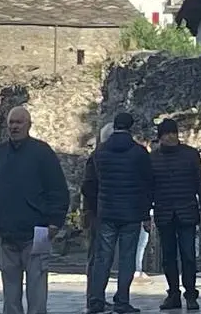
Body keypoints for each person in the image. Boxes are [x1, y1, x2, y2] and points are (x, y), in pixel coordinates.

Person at [0, 105, 69, 314]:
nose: (14, 127)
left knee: (37, 288)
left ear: (29, 125)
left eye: (19, 122)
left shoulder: (42, 153)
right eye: (11, 123)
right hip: (7, 233)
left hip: (39, 231)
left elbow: (58, 189)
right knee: (10, 291)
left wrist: (54, 222)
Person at [87, 113, 154, 314]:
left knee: (102, 257)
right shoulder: (139, 153)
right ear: (131, 127)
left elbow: (94, 182)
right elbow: (147, 185)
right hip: (131, 213)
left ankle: (96, 300)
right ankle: (122, 301)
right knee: (127, 258)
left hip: (106, 211)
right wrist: (145, 214)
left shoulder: (100, 152)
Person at [150, 119, 201, 310]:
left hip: (186, 211)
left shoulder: (190, 155)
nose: (171, 137)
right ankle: (173, 293)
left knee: (188, 255)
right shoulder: (153, 158)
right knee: (168, 257)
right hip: (164, 211)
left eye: (173, 133)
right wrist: (145, 212)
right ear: (160, 137)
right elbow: (147, 187)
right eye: (167, 133)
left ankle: (191, 294)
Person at [80, 124, 112, 311]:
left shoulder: (97, 157)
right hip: (97, 213)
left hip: (96, 211)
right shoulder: (98, 158)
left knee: (99, 256)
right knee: (97, 256)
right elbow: (88, 186)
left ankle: (96, 295)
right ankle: (94, 296)